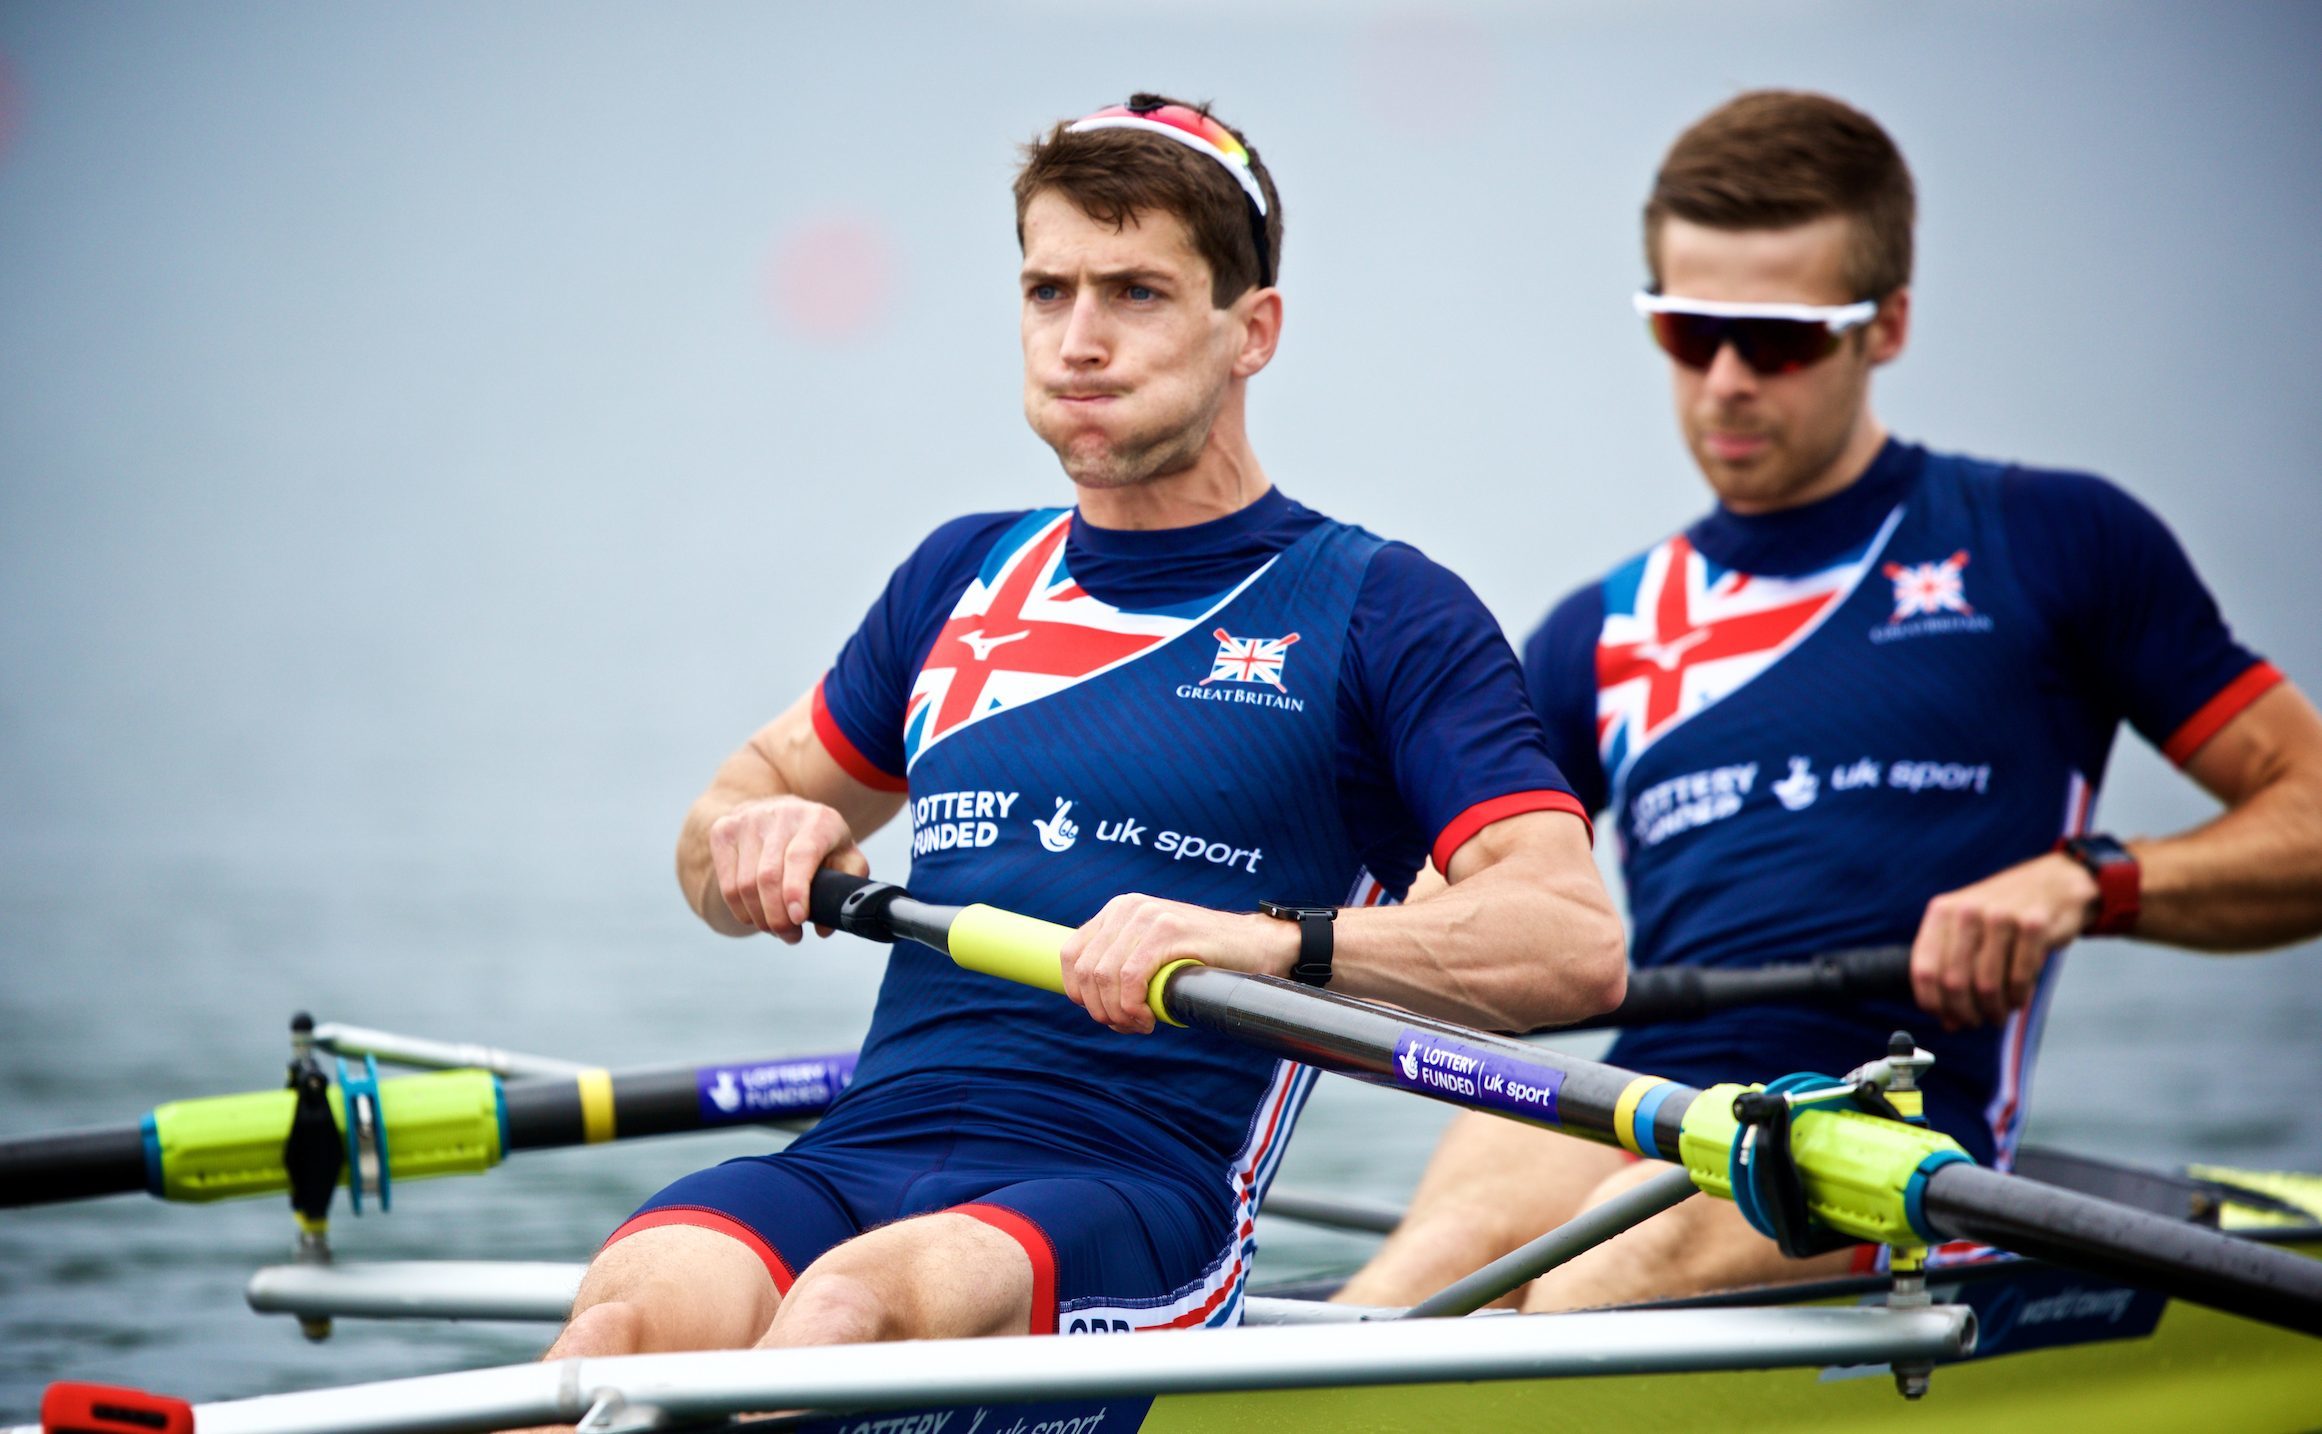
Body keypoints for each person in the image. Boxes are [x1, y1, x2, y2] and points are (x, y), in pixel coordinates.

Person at [540, 94, 1625, 1359]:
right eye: (1047, 292)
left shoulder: (1383, 611)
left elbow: (1570, 942)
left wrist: (1260, 943)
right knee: (616, 1330)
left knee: (844, 1313)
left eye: (1137, 293)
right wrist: (754, 835)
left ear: (1252, 330)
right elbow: (716, 833)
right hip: (862, 1147)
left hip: (1126, 1190)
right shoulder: (960, 576)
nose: (1080, 340)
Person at [1337, 90, 2322, 1313]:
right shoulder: (1602, 630)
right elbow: (1448, 918)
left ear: (1888, 325)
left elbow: (2312, 820)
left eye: (1782, 340)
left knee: (1591, 1288)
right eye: (1693, 333)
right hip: (1654, 1087)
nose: (1731, 381)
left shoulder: (2055, 543)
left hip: (1896, 1119)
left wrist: (2087, 882)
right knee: (1409, 1291)